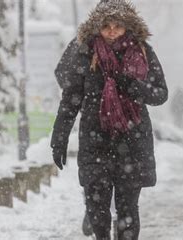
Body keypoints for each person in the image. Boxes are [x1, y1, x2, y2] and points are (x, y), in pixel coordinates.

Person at [50, 1, 168, 239]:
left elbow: (160, 94)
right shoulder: (85, 52)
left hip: (132, 142)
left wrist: (134, 87)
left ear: (128, 26)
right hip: (96, 141)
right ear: (97, 27)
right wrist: (59, 138)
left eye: (118, 26)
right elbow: (71, 98)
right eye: (106, 26)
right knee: (97, 208)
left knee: (127, 209)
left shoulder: (142, 51)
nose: (112, 31)